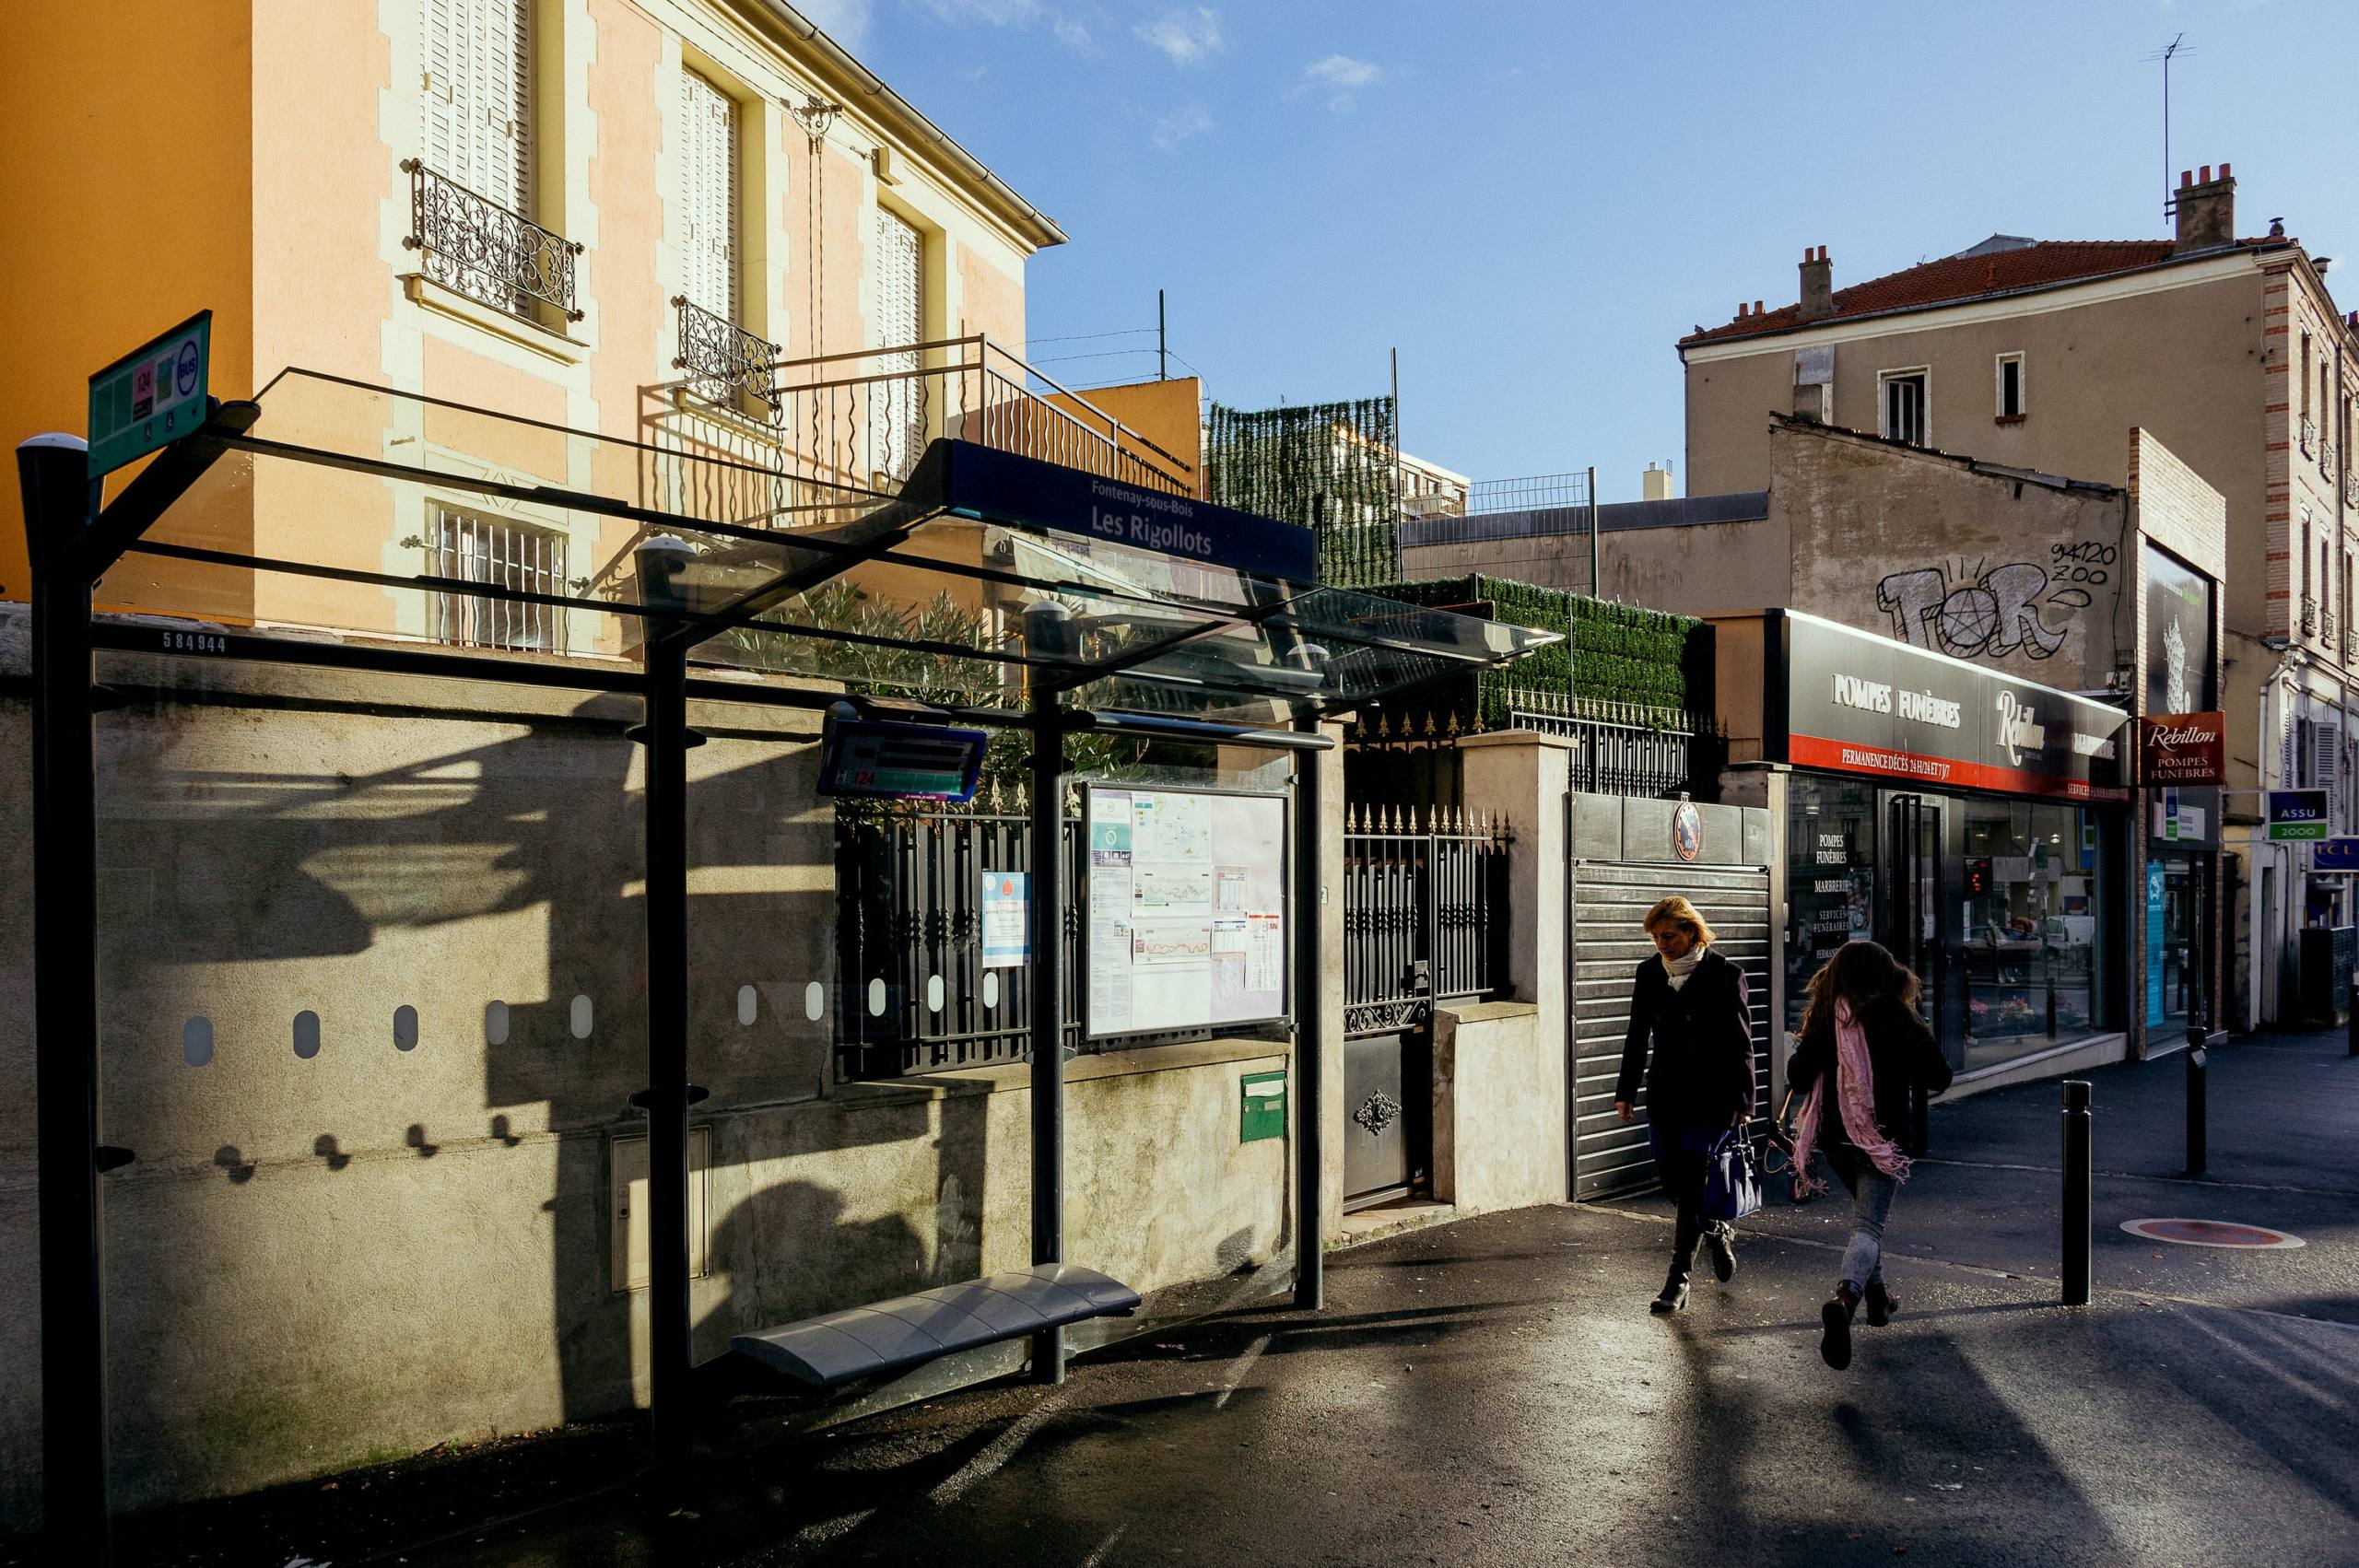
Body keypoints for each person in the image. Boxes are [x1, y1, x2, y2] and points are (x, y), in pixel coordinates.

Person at [1785, 940, 1954, 1371]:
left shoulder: (1828, 1016)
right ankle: (1845, 1299)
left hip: (1835, 1138)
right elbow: (1941, 1077)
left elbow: (1798, 1075)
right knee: (1868, 1226)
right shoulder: (1897, 1015)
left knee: (1866, 1222)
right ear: (1886, 974)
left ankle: (1879, 1300)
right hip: (1882, 1139)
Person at [1614, 895, 1756, 1315]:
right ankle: (1715, 1229)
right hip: (1665, 1095)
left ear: (1692, 932)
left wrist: (1744, 1100)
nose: (1662, 944)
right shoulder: (1649, 974)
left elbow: (1742, 1044)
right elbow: (1637, 1034)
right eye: (1657, 936)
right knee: (1673, 1183)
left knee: (1693, 1181)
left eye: (1670, 935)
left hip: (1711, 1099)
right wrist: (1626, 1091)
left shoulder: (1725, 975)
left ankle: (1678, 1280)